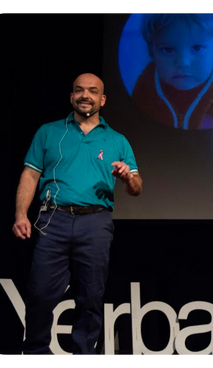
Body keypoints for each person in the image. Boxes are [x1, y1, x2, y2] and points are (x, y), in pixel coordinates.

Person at [12, 73, 143, 358]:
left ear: (102, 99)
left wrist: (127, 177)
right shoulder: (48, 132)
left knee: (91, 297)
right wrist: (21, 214)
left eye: (92, 91)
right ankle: (35, 353)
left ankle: (84, 355)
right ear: (72, 96)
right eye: (79, 90)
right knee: (40, 294)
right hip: (53, 220)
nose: (86, 95)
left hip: (95, 222)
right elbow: (30, 174)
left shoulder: (117, 140)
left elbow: (137, 187)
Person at [132, 10, 213, 130]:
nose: (183, 63)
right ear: (151, 52)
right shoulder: (146, 84)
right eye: (167, 49)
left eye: (197, 48)